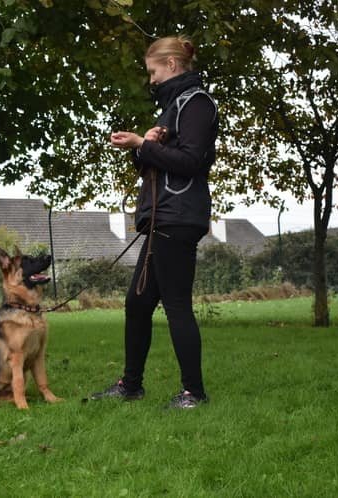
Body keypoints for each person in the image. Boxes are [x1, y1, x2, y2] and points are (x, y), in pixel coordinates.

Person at [90, 35, 218, 409]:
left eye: (153, 71)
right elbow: (158, 166)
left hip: (177, 218)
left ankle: (194, 393)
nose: (151, 80)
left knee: (176, 304)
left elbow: (191, 161)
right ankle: (131, 385)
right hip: (164, 217)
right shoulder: (173, 107)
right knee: (138, 303)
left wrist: (143, 145)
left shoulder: (196, 103)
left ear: (172, 66)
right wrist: (145, 145)